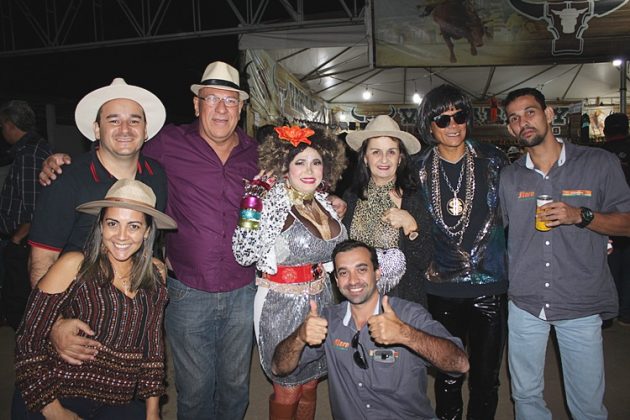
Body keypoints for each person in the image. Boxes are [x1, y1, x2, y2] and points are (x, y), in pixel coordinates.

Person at [38, 62, 258, 420]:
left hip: (243, 287)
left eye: (230, 100)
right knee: (194, 389)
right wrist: (59, 162)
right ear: (196, 104)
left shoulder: (257, 152)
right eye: (211, 98)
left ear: (241, 108)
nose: (221, 108)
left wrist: (330, 200)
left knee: (236, 386)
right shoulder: (168, 143)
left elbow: (298, 185)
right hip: (187, 289)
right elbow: (119, 148)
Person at [500, 88, 630, 420]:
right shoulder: (509, 177)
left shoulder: (598, 163)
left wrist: (581, 216)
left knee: (587, 403)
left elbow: (626, 222)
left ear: (549, 114)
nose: (523, 122)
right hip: (525, 302)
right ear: (510, 128)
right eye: (514, 118)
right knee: (525, 395)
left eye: (530, 112)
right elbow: (497, 231)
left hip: (579, 300)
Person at [14, 179, 177, 420]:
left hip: (117, 400)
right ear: (101, 226)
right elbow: (27, 340)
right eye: (113, 223)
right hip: (56, 391)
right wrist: (54, 410)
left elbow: (152, 350)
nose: (121, 236)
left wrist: (153, 413)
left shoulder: (155, 277)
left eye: (133, 226)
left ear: (146, 232)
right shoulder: (74, 266)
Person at [271, 239, 469, 420]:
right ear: (337, 281)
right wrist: (299, 337)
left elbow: (459, 364)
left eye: (361, 269)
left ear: (377, 273)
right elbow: (279, 368)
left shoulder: (408, 315)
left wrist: (405, 334)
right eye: (344, 273)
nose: (353, 280)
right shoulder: (329, 321)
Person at [232, 125, 347, 419]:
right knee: (288, 387)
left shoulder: (323, 202)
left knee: (310, 383)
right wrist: (251, 205)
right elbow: (243, 254)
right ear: (284, 166)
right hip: (279, 305)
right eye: (300, 162)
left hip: (321, 300)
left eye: (316, 162)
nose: (309, 170)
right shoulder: (271, 201)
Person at [416, 84, 508, 420]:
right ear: (429, 125)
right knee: (448, 374)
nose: (453, 125)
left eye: (460, 116)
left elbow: (523, 205)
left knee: (486, 379)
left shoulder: (493, 160)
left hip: (489, 285)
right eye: (443, 119)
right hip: (441, 286)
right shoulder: (416, 168)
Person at [29, 78, 167, 288]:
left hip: (136, 298)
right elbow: (43, 259)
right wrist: (51, 309)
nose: (125, 129)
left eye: (134, 121)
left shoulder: (156, 175)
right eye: (113, 121)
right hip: (79, 301)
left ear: (145, 130)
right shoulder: (66, 180)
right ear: (96, 129)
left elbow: (151, 242)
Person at [343, 114, 432, 306]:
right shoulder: (351, 197)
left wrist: (410, 226)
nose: (384, 159)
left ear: (400, 158)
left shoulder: (413, 198)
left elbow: (424, 261)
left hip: (403, 303)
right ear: (365, 158)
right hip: (359, 301)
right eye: (376, 152)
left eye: (391, 152)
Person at [0, 100, 52, 330]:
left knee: (20, 303)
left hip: (23, 243)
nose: (2, 131)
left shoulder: (30, 153)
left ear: (11, 125)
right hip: (23, 241)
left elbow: (35, 206)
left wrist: (16, 239)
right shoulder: (31, 150)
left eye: (2, 125)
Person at [601, 112, 630, 325]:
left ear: (605, 131)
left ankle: (607, 315)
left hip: (605, 220)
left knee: (607, 267)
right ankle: (626, 313)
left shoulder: (598, 154)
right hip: (622, 220)